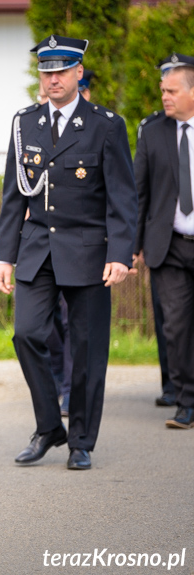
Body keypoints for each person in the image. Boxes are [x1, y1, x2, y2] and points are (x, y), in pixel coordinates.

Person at [0, 35, 138, 470]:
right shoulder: (25, 123)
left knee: (89, 350)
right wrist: (5, 256)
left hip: (90, 252)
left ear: (78, 73)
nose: (52, 79)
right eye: (46, 71)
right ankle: (48, 425)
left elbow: (122, 198)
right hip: (37, 250)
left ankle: (80, 441)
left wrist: (120, 253)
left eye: (61, 71)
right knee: (26, 335)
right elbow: (13, 196)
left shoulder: (105, 125)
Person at [133, 52, 194, 429]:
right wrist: (132, 246)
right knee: (176, 325)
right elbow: (138, 192)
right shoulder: (152, 131)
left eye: (172, 91)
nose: (165, 97)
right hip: (168, 245)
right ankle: (186, 402)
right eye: (162, 91)